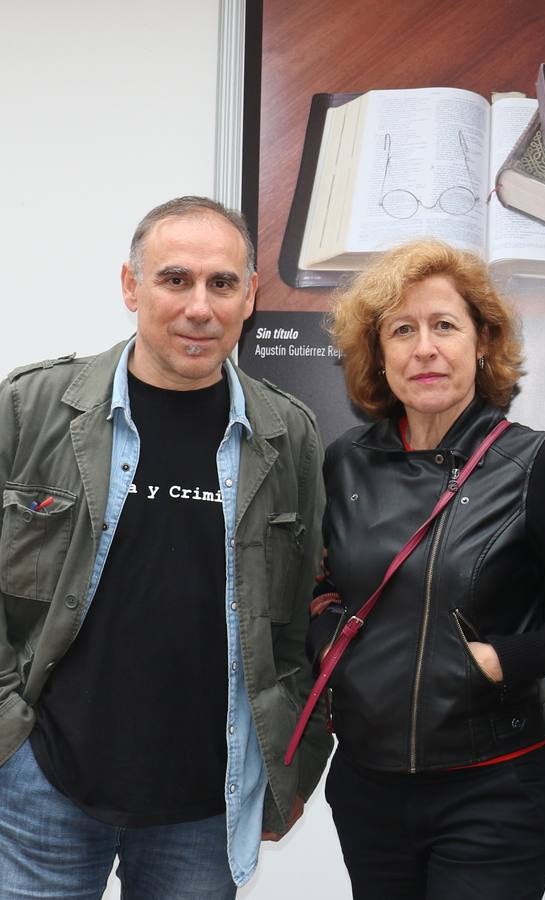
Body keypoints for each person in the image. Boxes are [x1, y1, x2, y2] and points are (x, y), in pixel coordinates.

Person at [0, 196, 328, 898]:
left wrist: (291, 763)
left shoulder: (288, 434)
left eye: (222, 284)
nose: (199, 308)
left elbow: (302, 624)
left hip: (205, 800)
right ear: (131, 286)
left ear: (250, 297)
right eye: (175, 279)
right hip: (44, 783)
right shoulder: (32, 407)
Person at [307, 239, 545, 899]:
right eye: (401, 330)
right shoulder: (343, 462)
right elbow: (320, 591)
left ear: (483, 341)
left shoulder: (542, 465)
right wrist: (334, 654)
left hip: (495, 786)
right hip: (367, 785)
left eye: (444, 326)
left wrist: (499, 661)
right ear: (377, 352)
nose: (424, 348)